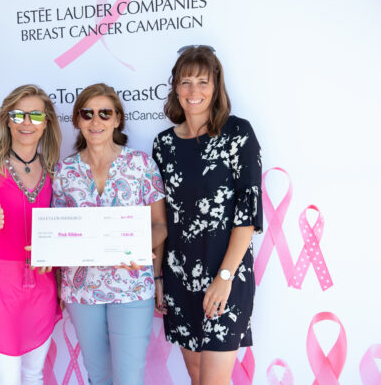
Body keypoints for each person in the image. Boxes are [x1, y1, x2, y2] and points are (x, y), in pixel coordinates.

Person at [152, 45, 262, 385]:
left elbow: (247, 214)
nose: (194, 91)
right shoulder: (163, 145)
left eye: (203, 82)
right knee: (197, 377)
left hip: (225, 276)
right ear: (175, 88)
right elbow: (161, 220)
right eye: (185, 82)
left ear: (216, 87)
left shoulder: (238, 134)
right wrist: (158, 279)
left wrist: (224, 277)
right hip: (179, 277)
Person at [51, 83, 168, 385]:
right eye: (87, 113)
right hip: (81, 290)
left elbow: (159, 225)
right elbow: (58, 232)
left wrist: (135, 248)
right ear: (77, 120)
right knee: (99, 377)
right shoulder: (64, 172)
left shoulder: (141, 165)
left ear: (117, 119)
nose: (96, 121)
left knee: (129, 378)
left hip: (131, 285)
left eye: (105, 113)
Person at [0, 84, 62, 385]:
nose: (26, 123)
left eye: (35, 115)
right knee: (3, 378)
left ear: (46, 122)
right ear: (7, 120)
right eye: (18, 115)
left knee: (33, 376)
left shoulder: (54, 169)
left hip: (42, 286)